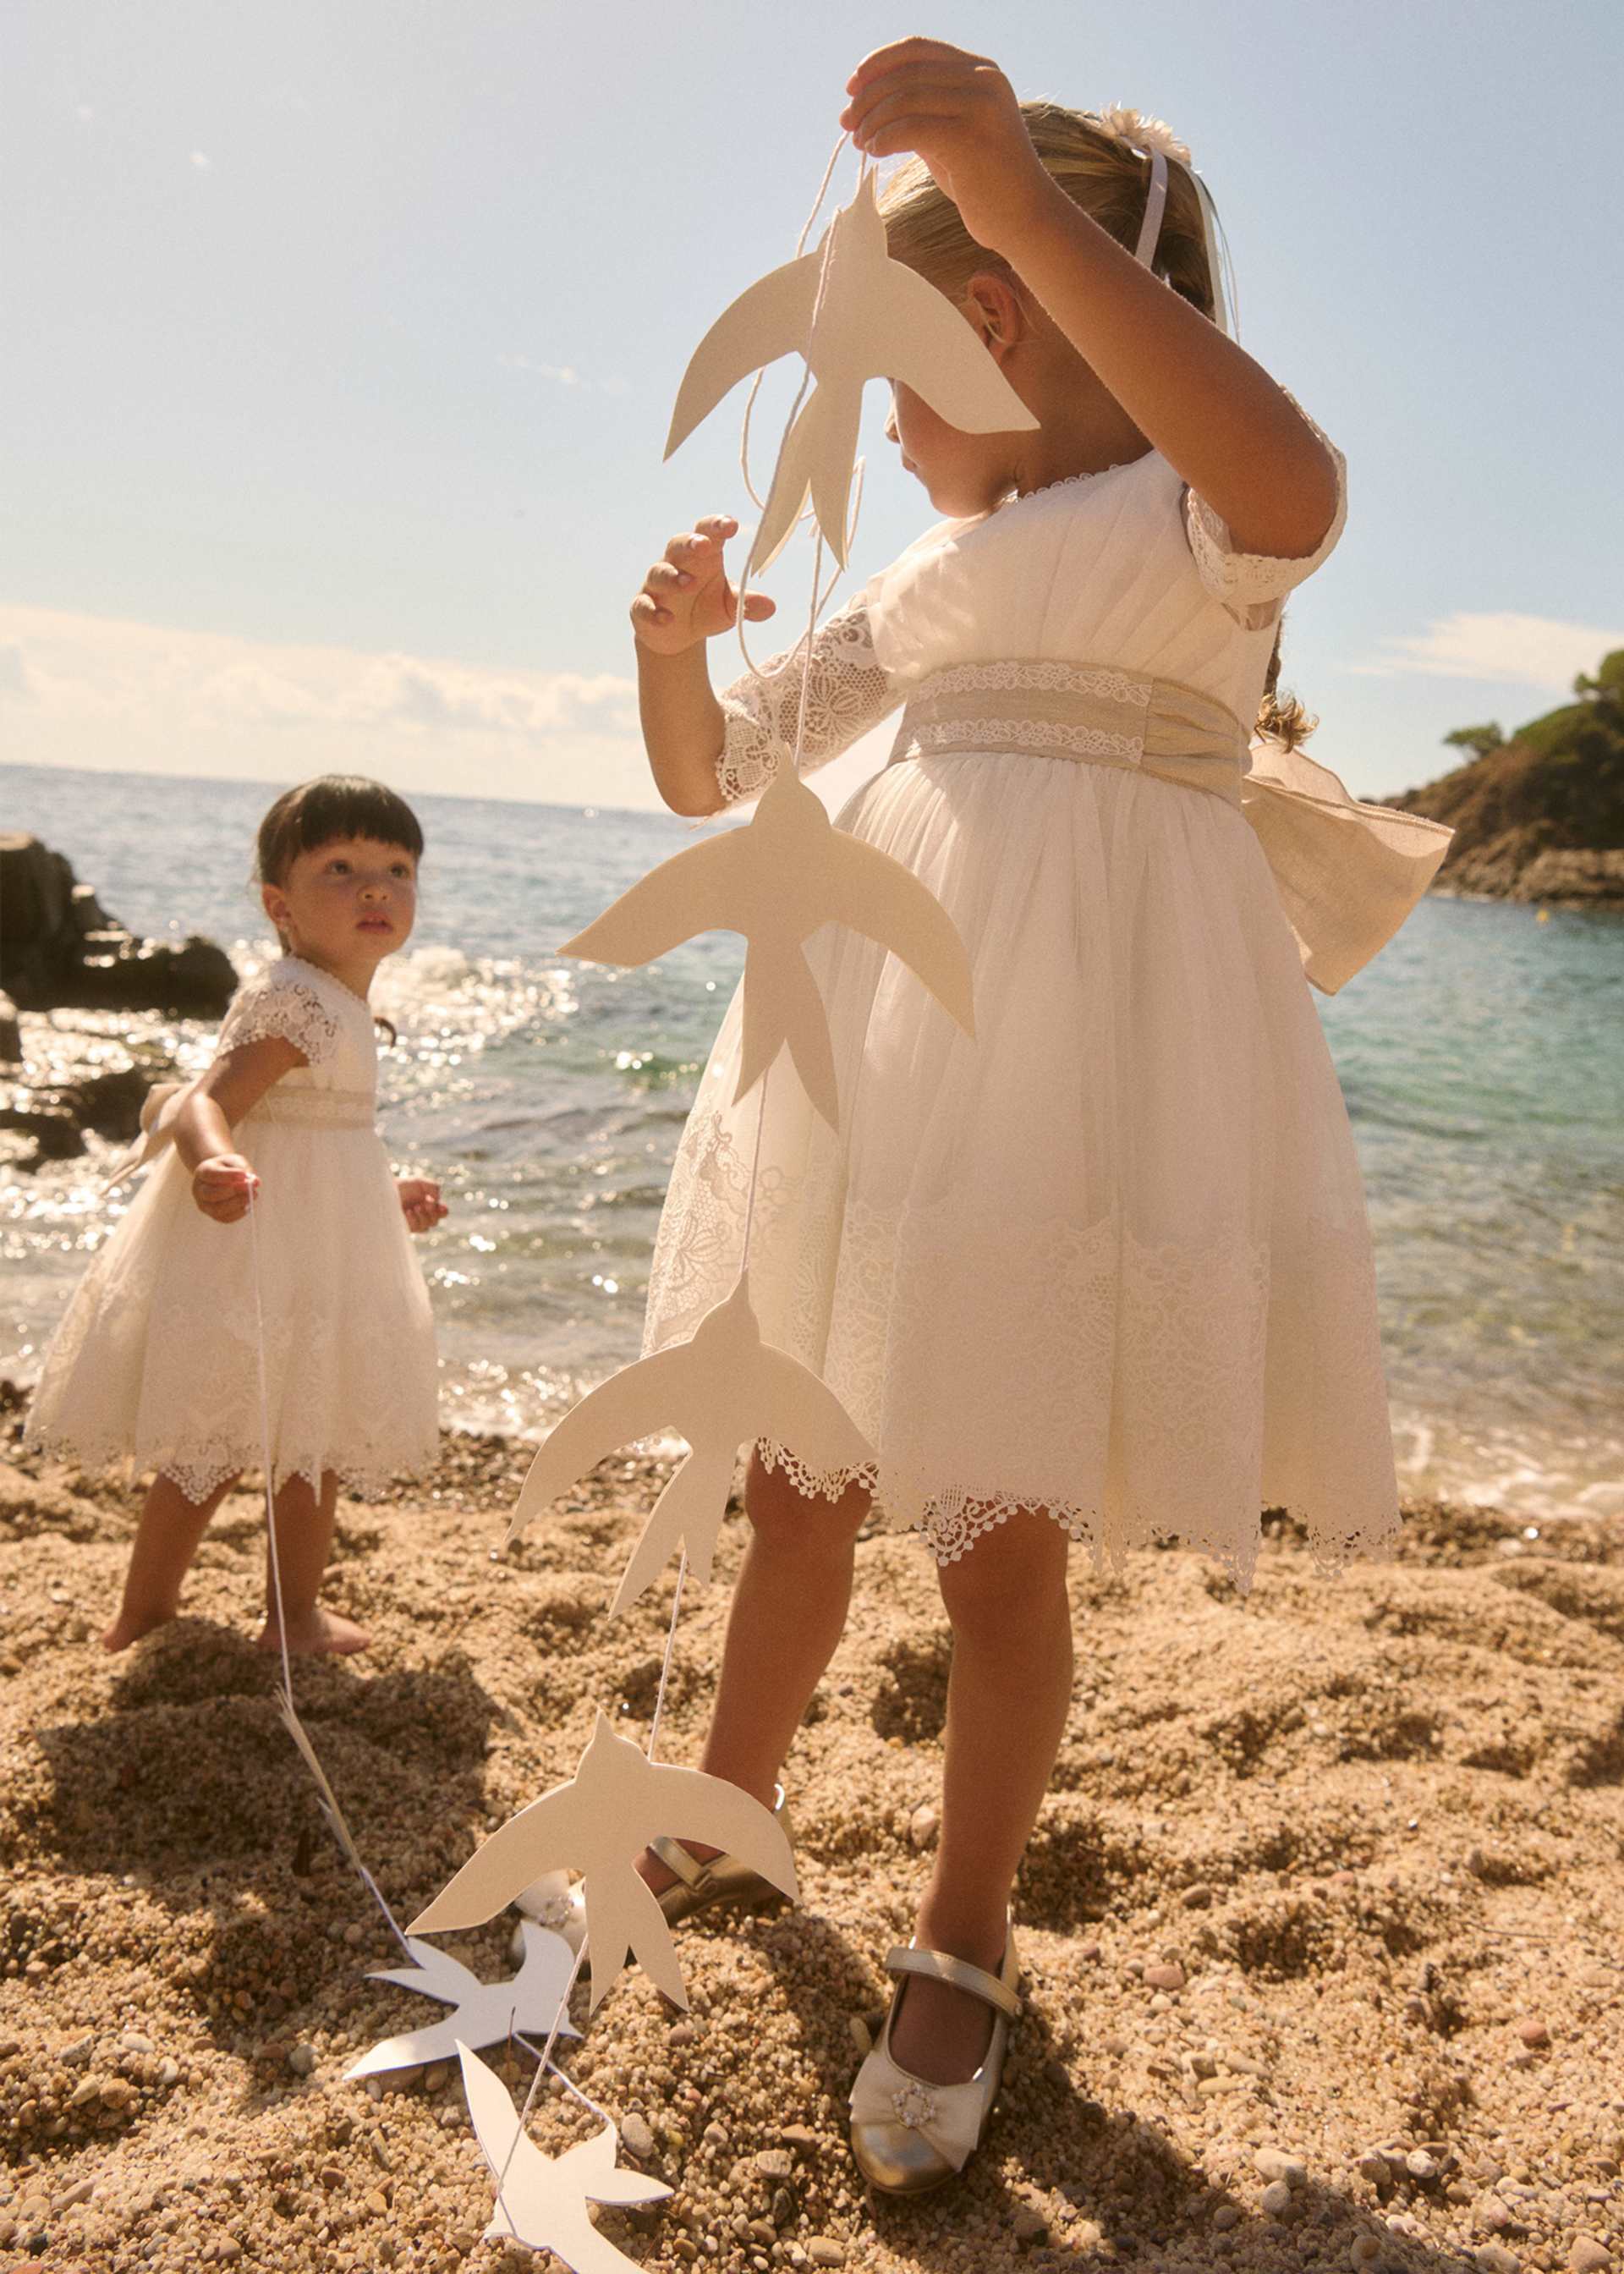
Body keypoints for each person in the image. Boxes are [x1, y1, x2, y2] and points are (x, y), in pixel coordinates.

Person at [621, 41, 1449, 2194]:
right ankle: (729, 1800)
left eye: (889, 381)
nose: (878, 437)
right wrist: (676, 651)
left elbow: (1297, 482)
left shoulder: (1187, 534)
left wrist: (1003, 186)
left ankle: (962, 1930)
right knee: (800, 1482)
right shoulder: (924, 584)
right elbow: (716, 777)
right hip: (874, 1061)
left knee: (994, 1531)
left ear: (1000, 313)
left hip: (1055, 1081)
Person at [25, 775, 445, 1659]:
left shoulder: (339, 1000)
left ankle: (277, 1615)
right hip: (251, 1241)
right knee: (215, 1440)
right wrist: (211, 1156)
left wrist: (385, 1194)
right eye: (340, 867)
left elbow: (316, 1136)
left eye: (396, 867)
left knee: (299, 1439)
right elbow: (202, 1103)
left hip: (315, 1242)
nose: (375, 887)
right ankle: (155, 1612)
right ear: (278, 904)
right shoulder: (296, 999)